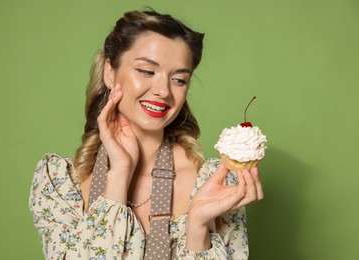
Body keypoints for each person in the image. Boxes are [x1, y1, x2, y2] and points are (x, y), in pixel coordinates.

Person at [29, 9, 263, 260]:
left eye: (179, 80)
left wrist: (197, 228)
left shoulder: (213, 183)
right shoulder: (59, 184)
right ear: (110, 72)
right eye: (147, 71)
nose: (163, 91)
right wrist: (119, 172)